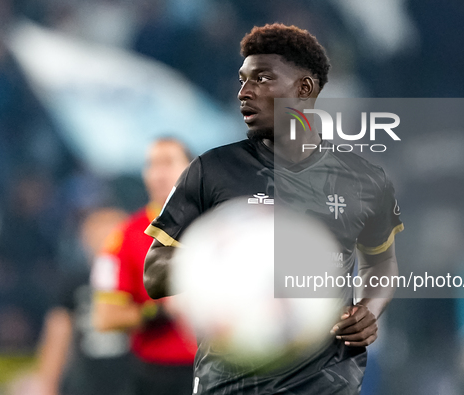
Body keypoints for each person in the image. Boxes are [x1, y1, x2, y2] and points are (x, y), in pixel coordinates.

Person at [144, 23, 403, 395]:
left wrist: (369, 311)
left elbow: (382, 263)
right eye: (242, 80)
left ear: (304, 89)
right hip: (229, 382)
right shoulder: (210, 170)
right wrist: (225, 259)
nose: (244, 92)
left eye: (262, 79)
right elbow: (153, 275)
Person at [92, 138, 197, 395]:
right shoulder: (124, 237)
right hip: (156, 375)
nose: (159, 173)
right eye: (152, 165)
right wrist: (161, 312)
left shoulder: (218, 228)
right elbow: (105, 317)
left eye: (168, 163)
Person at [35, 207, 131, 395]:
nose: (104, 242)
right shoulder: (74, 283)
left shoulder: (142, 282)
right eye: (96, 235)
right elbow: (57, 337)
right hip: (85, 382)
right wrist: (48, 384)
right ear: (85, 240)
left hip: (133, 380)